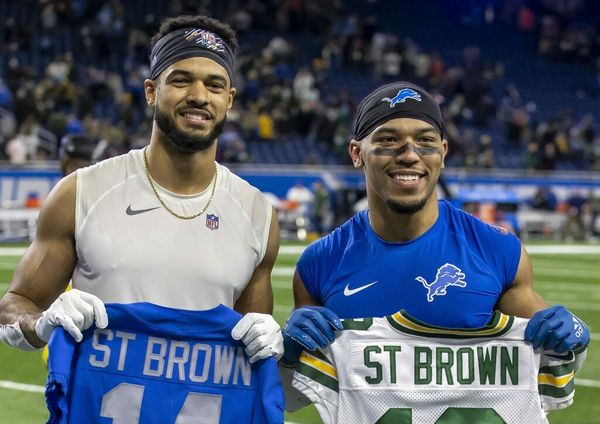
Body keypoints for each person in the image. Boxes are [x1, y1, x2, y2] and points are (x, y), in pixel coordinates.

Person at [280, 81, 589, 408]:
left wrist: (575, 341)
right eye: (388, 140)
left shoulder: (497, 251)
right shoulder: (319, 263)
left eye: (425, 141)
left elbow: (549, 364)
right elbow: (295, 397)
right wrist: (289, 356)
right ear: (357, 153)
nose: (409, 155)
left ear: (442, 152)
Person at [0, 15, 282, 367]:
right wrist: (40, 322)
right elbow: (15, 304)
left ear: (230, 99)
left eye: (214, 85)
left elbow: (251, 352)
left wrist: (270, 340)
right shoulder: (81, 192)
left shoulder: (257, 214)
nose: (198, 96)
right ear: (151, 91)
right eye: (181, 81)